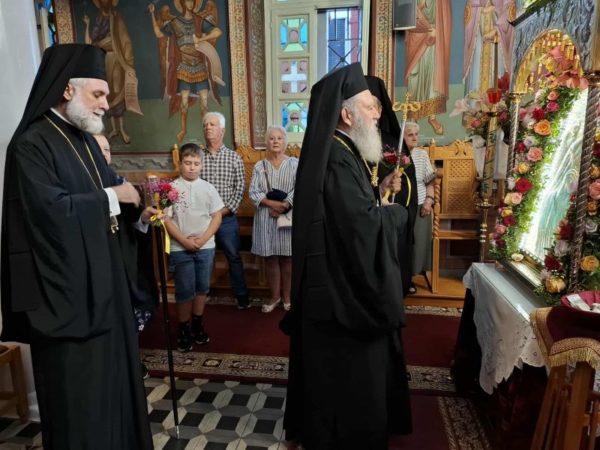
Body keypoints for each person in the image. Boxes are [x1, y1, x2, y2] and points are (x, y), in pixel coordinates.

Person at [0, 44, 152, 449]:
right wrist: (113, 197)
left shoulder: (84, 140)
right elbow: (49, 215)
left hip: (107, 298)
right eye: (98, 94)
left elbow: (116, 197)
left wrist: (138, 213)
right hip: (69, 306)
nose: (106, 104)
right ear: (67, 90)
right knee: (82, 410)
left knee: (115, 396)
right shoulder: (31, 145)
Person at [282, 63, 412, 449]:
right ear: (347, 115)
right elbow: (361, 228)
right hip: (343, 297)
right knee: (348, 379)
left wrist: (378, 193)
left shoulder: (342, 151)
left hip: (337, 283)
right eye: (371, 107)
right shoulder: (338, 159)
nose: (377, 115)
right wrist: (396, 214)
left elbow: (348, 213)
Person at [164, 143, 224, 351]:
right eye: (188, 163)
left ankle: (197, 323)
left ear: (202, 165)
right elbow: (166, 219)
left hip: (205, 247)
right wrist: (184, 241)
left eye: (196, 163)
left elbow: (216, 216)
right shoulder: (171, 188)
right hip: (180, 247)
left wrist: (203, 238)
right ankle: (183, 328)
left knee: (201, 288)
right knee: (184, 290)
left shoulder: (208, 188)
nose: (192, 167)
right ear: (180, 163)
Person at [366, 75, 419, 296]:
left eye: (373, 106)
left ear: (380, 110)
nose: (369, 113)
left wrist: (396, 189)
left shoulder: (391, 141)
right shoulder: (346, 142)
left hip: (387, 215)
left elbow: (408, 181)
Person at [148, 0, 226, 142]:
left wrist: (202, 38)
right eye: (188, 1)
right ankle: (183, 129)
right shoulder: (175, 23)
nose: (191, 4)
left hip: (200, 67)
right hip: (184, 67)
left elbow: (217, 31)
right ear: (182, 3)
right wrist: (152, 14)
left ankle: (206, 134)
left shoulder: (199, 21)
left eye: (193, 1)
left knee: (204, 103)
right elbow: (158, 34)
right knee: (183, 102)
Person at [199, 112, 250, 308]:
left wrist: (224, 210)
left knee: (233, 255)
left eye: (212, 124)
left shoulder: (233, 157)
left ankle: (242, 297)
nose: (208, 127)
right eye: (205, 125)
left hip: (226, 217)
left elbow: (239, 188)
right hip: (203, 218)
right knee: (204, 256)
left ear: (223, 130)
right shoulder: (198, 157)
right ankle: (203, 295)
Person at [249, 126, 298, 313]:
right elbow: (253, 192)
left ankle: (287, 297)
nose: (275, 141)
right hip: (265, 217)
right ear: (266, 143)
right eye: (271, 138)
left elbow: (299, 187)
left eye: (279, 138)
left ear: (285, 142)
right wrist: (273, 204)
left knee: (287, 259)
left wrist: (285, 205)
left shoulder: (295, 164)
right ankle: (274, 297)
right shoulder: (259, 166)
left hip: (287, 217)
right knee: (270, 259)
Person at [84, 0, 143, 144]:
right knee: (108, 92)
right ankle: (113, 129)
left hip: (116, 59)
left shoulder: (116, 17)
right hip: (102, 60)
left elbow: (125, 39)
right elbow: (92, 40)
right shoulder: (99, 20)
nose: (104, 2)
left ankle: (121, 129)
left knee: (117, 90)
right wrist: (87, 25)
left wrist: (129, 63)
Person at [404, 0, 452, 135]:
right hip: (417, 37)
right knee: (415, 75)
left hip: (435, 38)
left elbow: (445, 19)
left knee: (433, 76)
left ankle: (432, 116)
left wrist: (438, 32)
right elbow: (408, 15)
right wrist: (419, 7)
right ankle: (413, 116)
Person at [404, 121, 436, 289]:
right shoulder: (394, 154)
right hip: (401, 206)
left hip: (420, 204)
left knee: (417, 243)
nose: (415, 138)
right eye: (410, 135)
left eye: (416, 134)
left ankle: (410, 277)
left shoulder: (422, 155)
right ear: (402, 137)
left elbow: (430, 182)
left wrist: (428, 201)